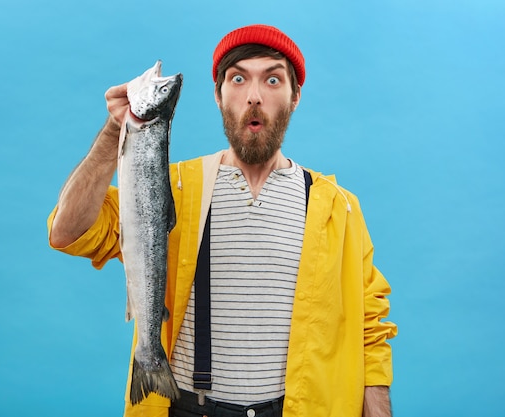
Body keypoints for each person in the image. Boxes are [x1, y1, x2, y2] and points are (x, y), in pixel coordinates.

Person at [47, 24, 397, 417]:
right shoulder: (170, 187)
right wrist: (115, 133)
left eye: (273, 80)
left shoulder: (338, 208)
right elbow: (68, 232)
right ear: (218, 95)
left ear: (295, 97)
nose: (254, 96)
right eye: (238, 78)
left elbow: (371, 328)